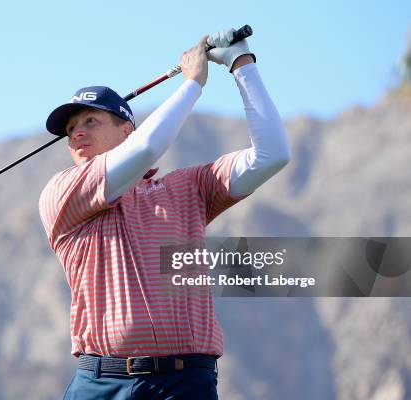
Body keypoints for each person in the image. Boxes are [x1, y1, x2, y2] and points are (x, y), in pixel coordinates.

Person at [39, 28, 291, 400]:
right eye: (71, 129)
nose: (76, 134)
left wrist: (242, 64)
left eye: (90, 121)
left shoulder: (186, 189)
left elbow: (273, 155)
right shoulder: (63, 192)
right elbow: (147, 148)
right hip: (101, 383)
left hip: (184, 383)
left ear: (127, 129)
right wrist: (192, 84)